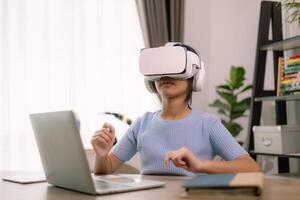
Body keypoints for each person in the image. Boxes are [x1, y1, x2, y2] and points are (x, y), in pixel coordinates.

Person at [91, 43, 260, 176]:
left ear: (195, 78)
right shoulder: (142, 124)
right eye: (161, 68)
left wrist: (201, 165)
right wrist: (101, 155)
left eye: (175, 67)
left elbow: (251, 167)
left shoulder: (208, 125)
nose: (166, 74)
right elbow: (105, 169)